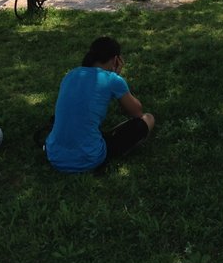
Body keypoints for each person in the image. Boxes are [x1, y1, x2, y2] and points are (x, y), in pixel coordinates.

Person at [45, 37, 155, 173]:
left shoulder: (71, 75)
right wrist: (117, 79)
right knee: (148, 118)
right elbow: (137, 112)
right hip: (89, 158)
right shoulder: (113, 80)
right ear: (116, 60)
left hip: (54, 155)